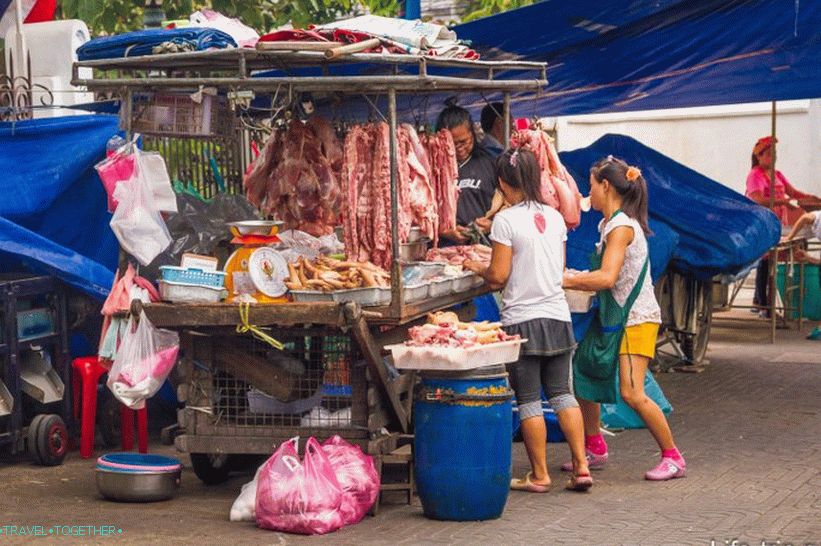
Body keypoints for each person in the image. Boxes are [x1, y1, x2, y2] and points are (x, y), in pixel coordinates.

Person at [464, 148, 592, 492]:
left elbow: (499, 275)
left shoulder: (505, 221)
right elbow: (558, 269)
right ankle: (581, 466)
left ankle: (540, 475)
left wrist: (477, 267)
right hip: (557, 316)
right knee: (564, 395)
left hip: (523, 320)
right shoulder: (553, 216)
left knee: (530, 401)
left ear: (503, 183)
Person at [562, 156, 686, 481]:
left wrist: (565, 279)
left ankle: (673, 457)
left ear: (605, 186)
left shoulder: (621, 228)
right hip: (612, 317)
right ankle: (595, 446)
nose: (588, 193)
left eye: (591, 185)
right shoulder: (609, 224)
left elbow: (605, 278)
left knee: (632, 393)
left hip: (635, 319)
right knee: (583, 374)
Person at [745, 136, 821, 313]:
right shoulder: (754, 175)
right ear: (759, 156)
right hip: (762, 222)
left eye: (775, 154)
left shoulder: (777, 174)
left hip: (779, 222)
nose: (773, 157)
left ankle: (762, 300)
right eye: (769, 154)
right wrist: (782, 202)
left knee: (775, 257)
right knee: (767, 258)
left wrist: (811, 199)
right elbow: (756, 199)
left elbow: (793, 192)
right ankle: (763, 303)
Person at [436, 102, 498, 242]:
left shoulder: (490, 163)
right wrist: (444, 230)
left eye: (463, 142)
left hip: (483, 246)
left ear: (473, 134)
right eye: (452, 143)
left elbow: (507, 204)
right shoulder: (434, 168)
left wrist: (492, 224)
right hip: (444, 249)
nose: (458, 148)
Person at [786, 210, 821, 340]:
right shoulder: (817, 218)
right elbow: (805, 218)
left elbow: (805, 218)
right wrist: (807, 258)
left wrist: (789, 237)